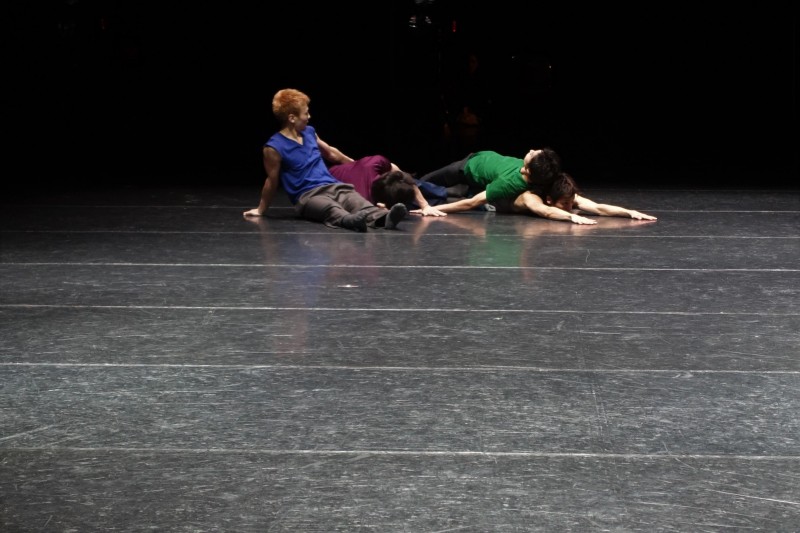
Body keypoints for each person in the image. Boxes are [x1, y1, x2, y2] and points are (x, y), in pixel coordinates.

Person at [243, 88, 408, 232]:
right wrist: (261, 209)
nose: (309, 116)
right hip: (307, 196)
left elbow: (330, 153)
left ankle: (385, 219)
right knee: (330, 208)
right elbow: (272, 181)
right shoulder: (274, 147)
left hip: (333, 186)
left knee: (356, 200)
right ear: (292, 118)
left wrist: (356, 165)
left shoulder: (309, 132)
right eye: (306, 113)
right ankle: (349, 221)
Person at [411, 148, 562, 214]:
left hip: (465, 169)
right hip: (473, 161)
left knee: (422, 183)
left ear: (528, 171)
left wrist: (431, 209)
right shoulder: (535, 171)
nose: (531, 150)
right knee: (432, 186)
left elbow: (471, 203)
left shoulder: (508, 183)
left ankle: (408, 194)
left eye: (533, 154)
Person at [496, 171, 658, 224]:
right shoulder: (530, 197)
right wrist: (572, 216)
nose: (570, 207)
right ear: (549, 200)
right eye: (565, 204)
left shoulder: (565, 197)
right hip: (491, 203)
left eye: (571, 203)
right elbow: (546, 212)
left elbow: (598, 208)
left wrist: (629, 212)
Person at [328, 156, 447, 216]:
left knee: (425, 190)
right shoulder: (362, 202)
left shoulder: (375, 162)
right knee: (415, 206)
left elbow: (401, 174)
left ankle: (443, 194)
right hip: (331, 183)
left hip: (378, 188)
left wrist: (424, 205)